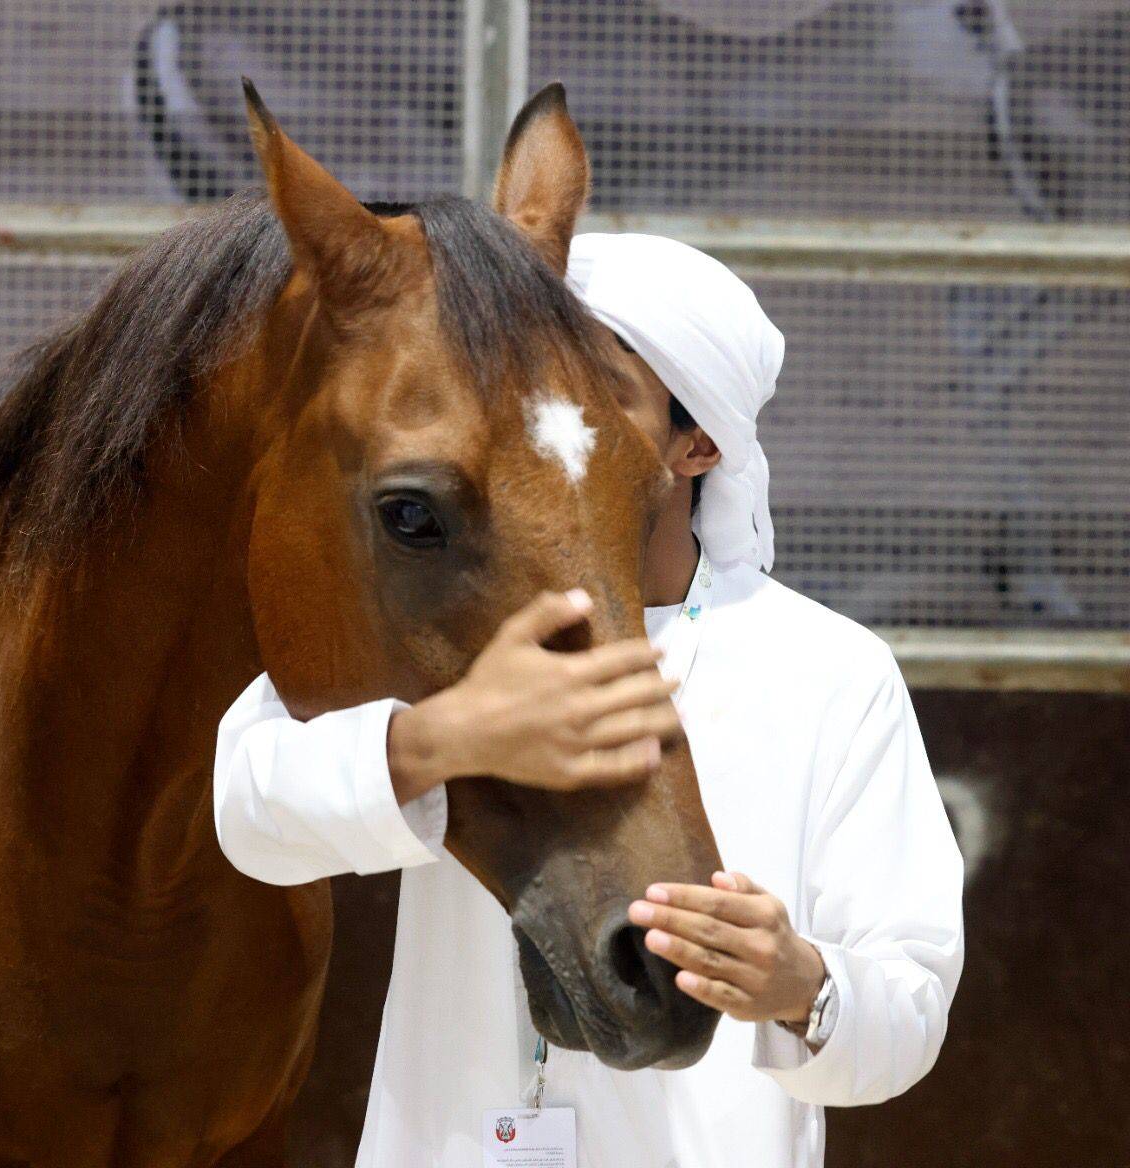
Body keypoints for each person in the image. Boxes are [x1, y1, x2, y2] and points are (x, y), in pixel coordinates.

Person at [213, 233, 964, 1168]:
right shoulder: (453, 606)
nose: (552, 413)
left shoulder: (829, 670)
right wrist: (440, 739)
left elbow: (910, 1012)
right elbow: (249, 815)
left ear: (699, 443)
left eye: (599, 385)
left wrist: (802, 986)